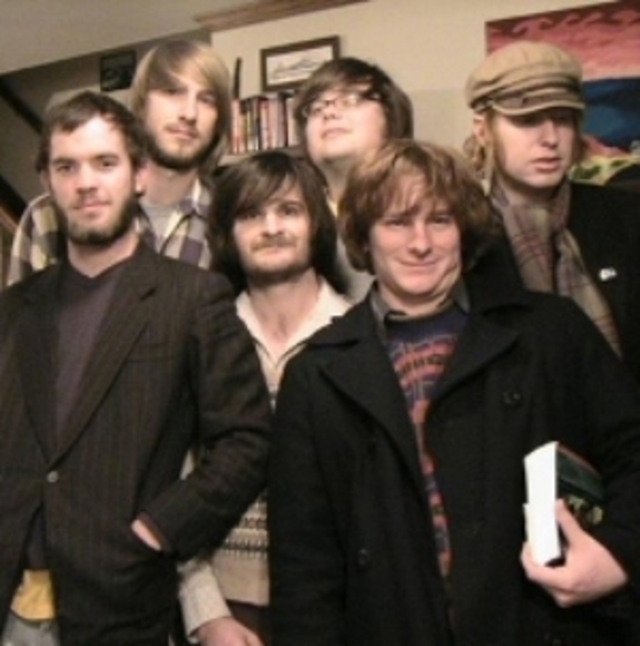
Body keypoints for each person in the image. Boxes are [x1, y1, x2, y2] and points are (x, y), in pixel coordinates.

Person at [268, 139, 640, 646]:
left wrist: (619, 554)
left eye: (440, 220)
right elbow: (304, 570)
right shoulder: (316, 376)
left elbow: (633, 452)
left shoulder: (551, 333)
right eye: (398, 222)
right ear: (364, 237)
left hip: (545, 623)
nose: (420, 243)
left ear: (463, 229)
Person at [0, 91, 270, 646]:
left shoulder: (193, 298)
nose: (85, 183)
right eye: (66, 167)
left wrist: (162, 527)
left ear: (139, 174)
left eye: (105, 163)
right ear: (48, 182)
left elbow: (248, 440)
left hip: (118, 600)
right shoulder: (14, 308)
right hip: (11, 602)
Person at [179, 151, 350, 645]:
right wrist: (206, 615)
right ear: (227, 234)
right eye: (252, 214)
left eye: (289, 210)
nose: (271, 228)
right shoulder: (200, 341)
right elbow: (173, 480)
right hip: (223, 605)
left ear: (317, 223)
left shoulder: (359, 335)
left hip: (337, 605)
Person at [464, 40, 640, 381]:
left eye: (562, 119)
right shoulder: (465, 236)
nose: (550, 138)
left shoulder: (626, 216)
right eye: (527, 120)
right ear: (483, 130)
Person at [8, 38, 231, 283]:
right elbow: (21, 306)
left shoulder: (229, 219)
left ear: (219, 120)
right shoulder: (51, 215)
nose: (189, 113)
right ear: (142, 102)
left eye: (207, 100)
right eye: (172, 92)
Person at [293, 57, 413, 300]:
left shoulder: (427, 206)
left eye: (349, 99)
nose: (329, 112)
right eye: (315, 108)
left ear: (390, 117)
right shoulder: (292, 222)